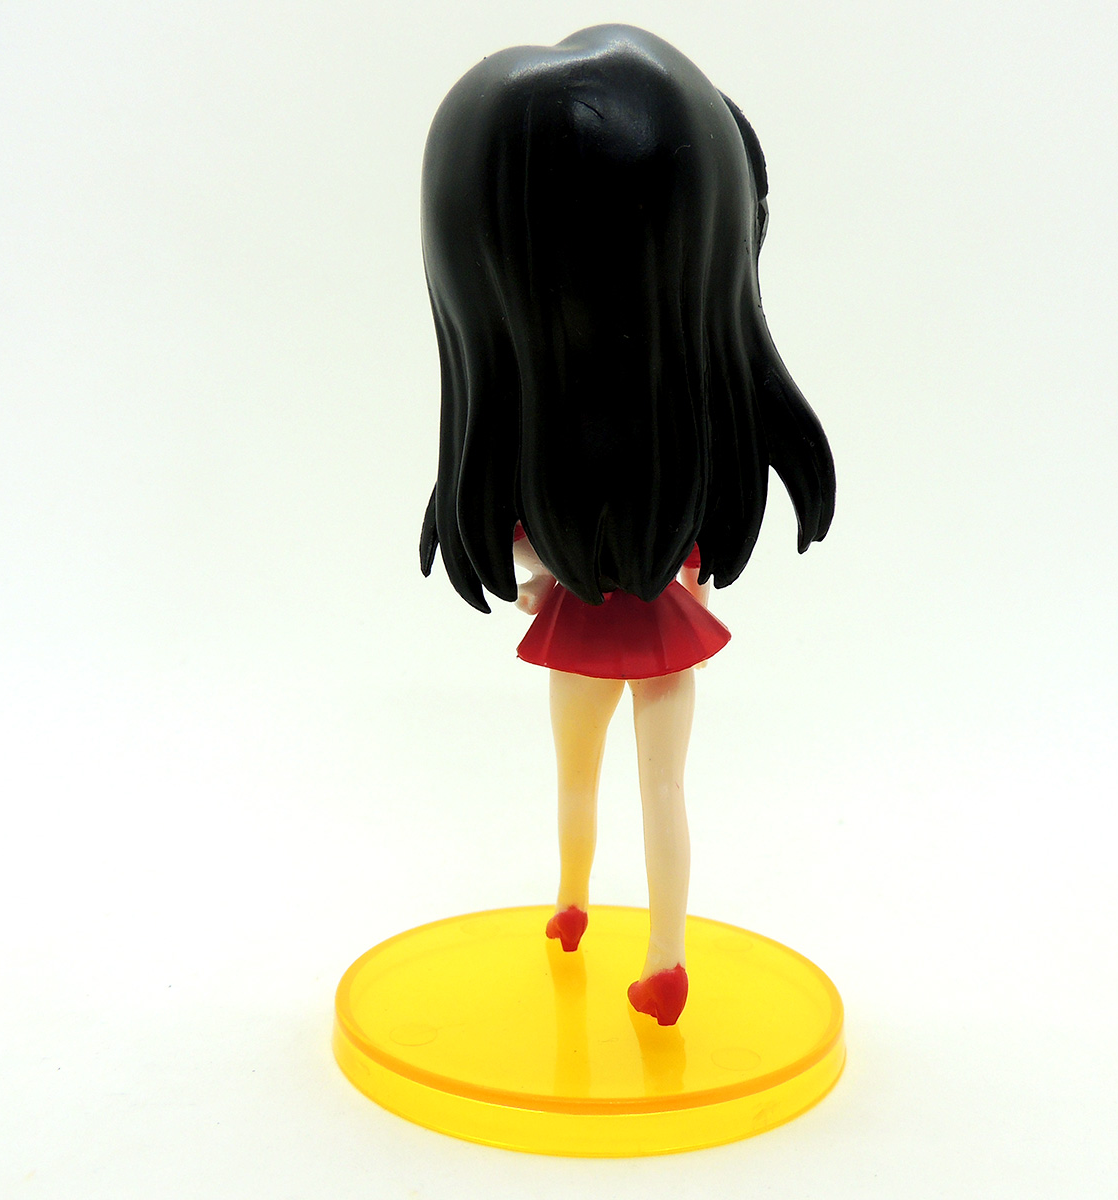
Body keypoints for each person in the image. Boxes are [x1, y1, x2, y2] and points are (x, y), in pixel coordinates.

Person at [419, 25, 835, 1025]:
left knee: (584, 780)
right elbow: (678, 563)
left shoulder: (572, 479)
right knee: (658, 791)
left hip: (587, 626)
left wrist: (536, 577)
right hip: (656, 630)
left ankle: (580, 907)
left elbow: (536, 557)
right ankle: (653, 948)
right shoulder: (677, 464)